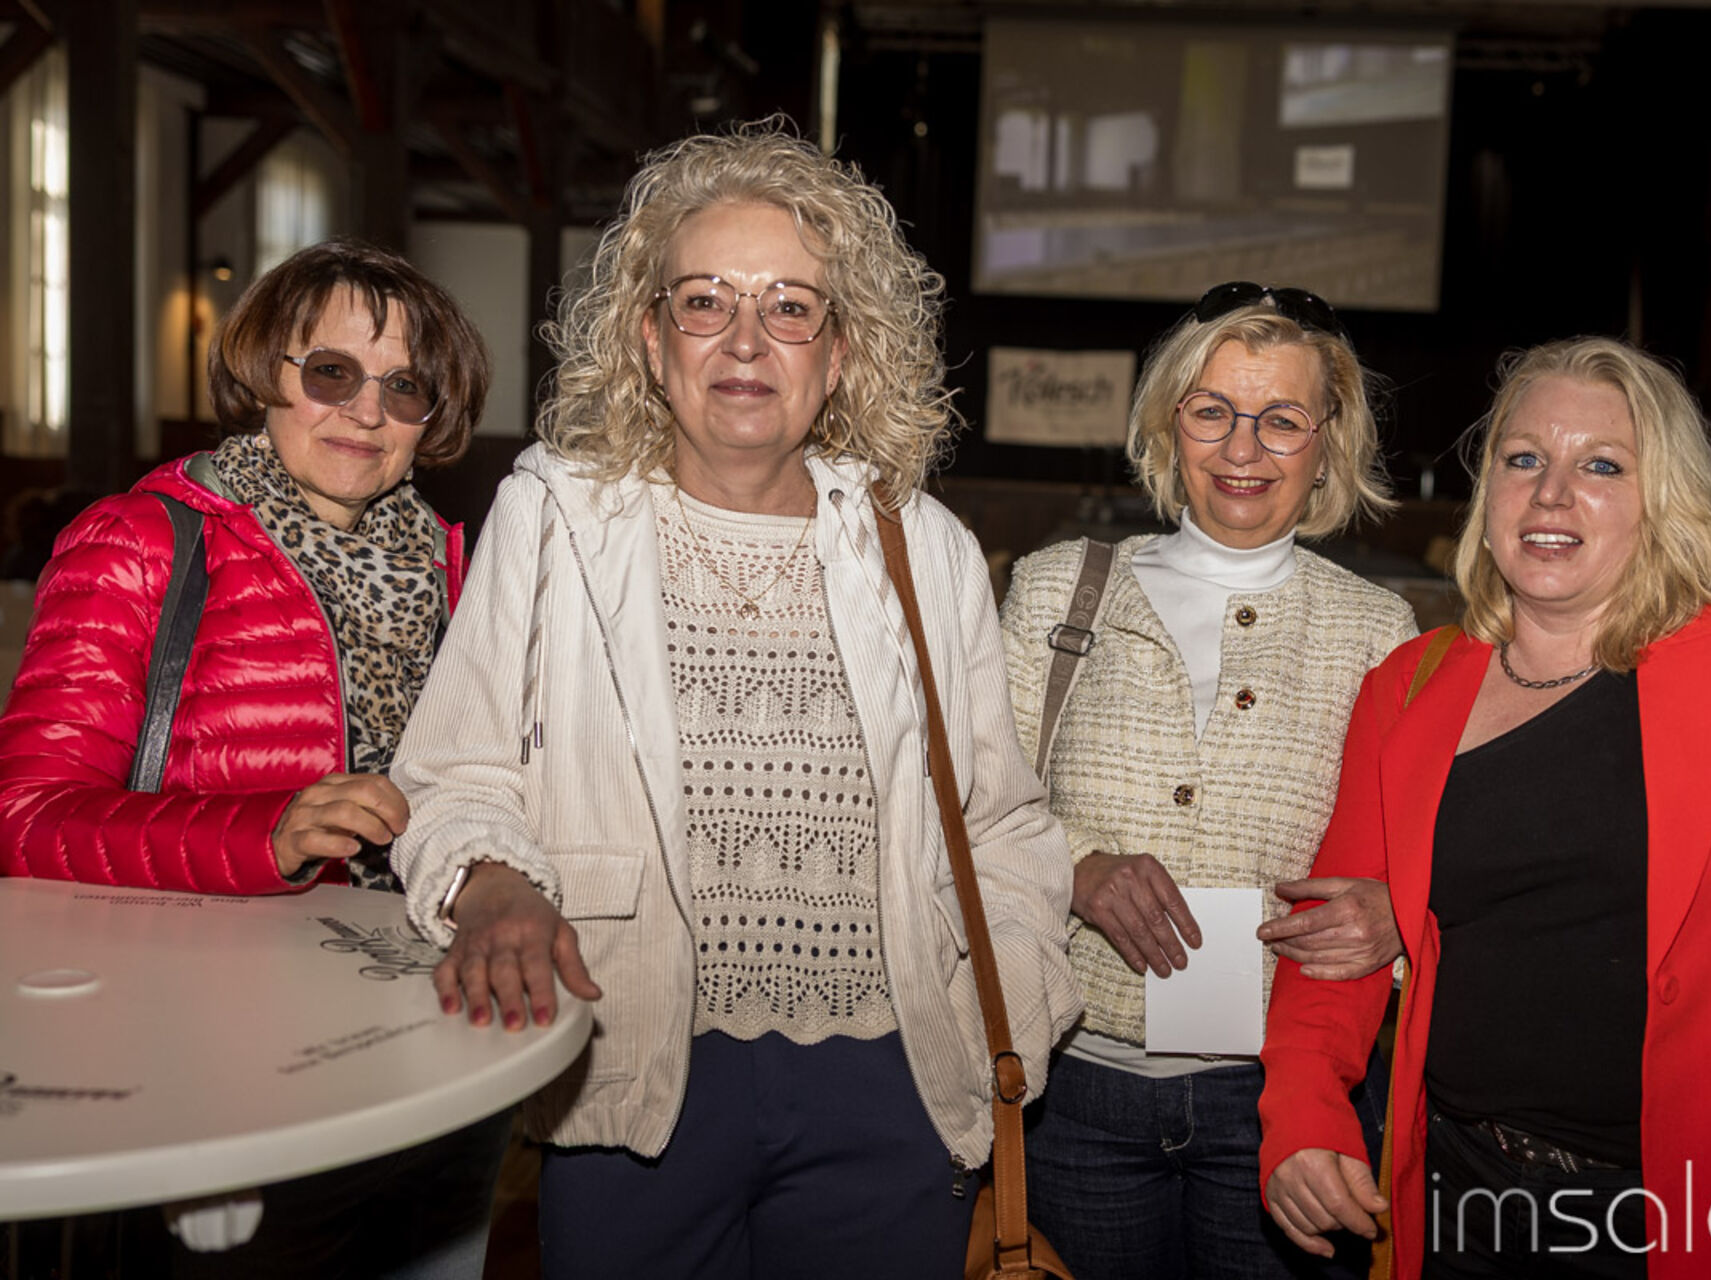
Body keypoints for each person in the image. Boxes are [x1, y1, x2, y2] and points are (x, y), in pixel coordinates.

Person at [388, 122, 1080, 1280]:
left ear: (840, 350)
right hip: (630, 1063)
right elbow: (454, 772)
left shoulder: (924, 545)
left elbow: (1002, 822)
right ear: (651, 337)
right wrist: (495, 884)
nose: (747, 340)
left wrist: (999, 1014)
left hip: (893, 1083)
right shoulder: (554, 515)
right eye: (706, 301)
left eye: (791, 307)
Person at [1259, 337, 1711, 1280]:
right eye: (1523, 459)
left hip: (1689, 1207)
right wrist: (1304, 1113)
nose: (1552, 493)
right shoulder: (1409, 687)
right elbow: (1328, 933)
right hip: (1463, 1194)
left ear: (1665, 498)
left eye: (1601, 465)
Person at [0, 237, 504, 1279]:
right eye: (332, 372)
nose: (366, 411)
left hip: (434, 1038)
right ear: (267, 375)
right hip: (219, 1061)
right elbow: (29, 814)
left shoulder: (461, 574)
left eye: (404, 387)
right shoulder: (142, 541)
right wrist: (262, 834)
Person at [998, 283, 1417, 1280]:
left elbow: (1413, 860)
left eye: (1281, 420)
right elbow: (972, 810)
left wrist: (1398, 914)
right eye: (1213, 411)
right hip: (1075, 1088)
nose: (1243, 448)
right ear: (1168, 425)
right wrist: (1077, 869)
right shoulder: (1056, 587)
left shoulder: (1379, 630)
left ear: (1327, 443)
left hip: (1281, 1105)